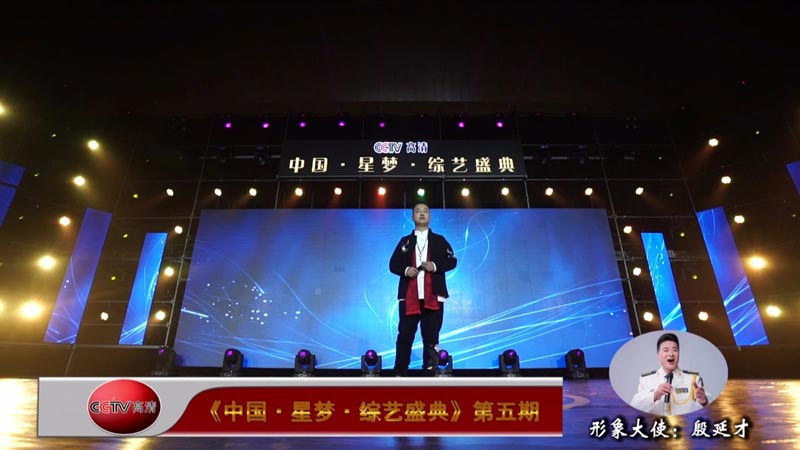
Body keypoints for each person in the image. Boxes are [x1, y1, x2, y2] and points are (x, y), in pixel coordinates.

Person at [389, 202, 457, 376]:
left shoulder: (439, 240)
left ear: (430, 216)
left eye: (425, 211)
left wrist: (434, 265)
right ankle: (400, 371)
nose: (421, 214)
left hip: (433, 296)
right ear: (412, 216)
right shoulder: (405, 241)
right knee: (405, 335)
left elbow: (452, 260)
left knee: (432, 336)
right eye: (417, 211)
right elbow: (393, 264)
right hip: (409, 296)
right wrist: (406, 270)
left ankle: (430, 372)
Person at [631, 333, 712, 415]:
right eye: (666, 350)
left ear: (679, 353)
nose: (671, 354)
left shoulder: (693, 379)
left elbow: (711, 408)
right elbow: (635, 407)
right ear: (658, 354)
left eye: (675, 350)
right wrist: (655, 395)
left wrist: (704, 401)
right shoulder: (646, 380)